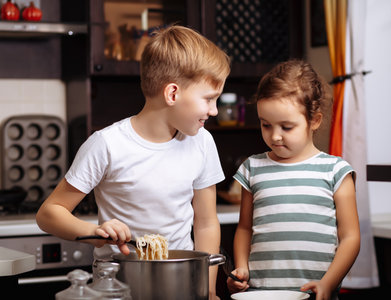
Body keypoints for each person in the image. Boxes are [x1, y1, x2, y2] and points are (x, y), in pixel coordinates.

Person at [36, 25, 230, 299]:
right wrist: (94, 232)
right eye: (209, 99)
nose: (214, 110)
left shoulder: (202, 142)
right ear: (172, 94)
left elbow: (207, 222)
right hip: (119, 282)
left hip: (182, 279)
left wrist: (208, 289)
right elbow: (49, 213)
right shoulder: (107, 144)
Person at [226, 60, 360, 300]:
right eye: (266, 125)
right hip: (261, 293)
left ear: (315, 121)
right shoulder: (252, 168)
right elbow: (245, 228)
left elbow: (350, 237)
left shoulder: (335, 171)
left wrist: (328, 284)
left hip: (315, 294)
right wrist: (241, 268)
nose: (274, 136)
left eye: (286, 127)